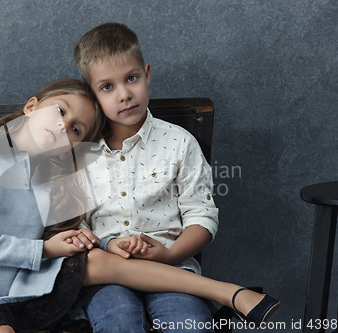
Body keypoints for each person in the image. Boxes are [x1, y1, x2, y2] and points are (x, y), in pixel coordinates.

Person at [0, 78, 279, 333]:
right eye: (60, 111)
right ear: (32, 106)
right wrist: (47, 248)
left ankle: (230, 293)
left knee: (94, 258)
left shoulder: (53, 174)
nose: (64, 126)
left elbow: (62, 236)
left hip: (17, 278)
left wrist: (82, 239)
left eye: (76, 129)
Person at [70, 22, 263, 332]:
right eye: (107, 87)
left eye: (131, 78)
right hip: (105, 277)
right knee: (119, 324)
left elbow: (201, 216)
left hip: (174, 270)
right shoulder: (81, 152)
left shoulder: (179, 142)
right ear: (91, 94)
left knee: (190, 326)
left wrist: (170, 254)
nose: (124, 95)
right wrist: (105, 245)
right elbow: (75, 224)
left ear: (147, 74)